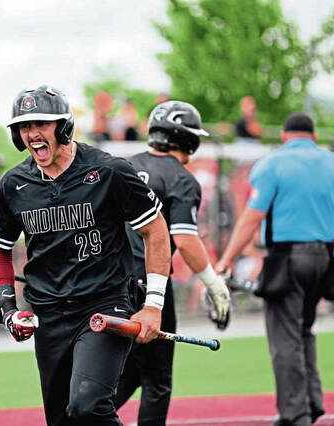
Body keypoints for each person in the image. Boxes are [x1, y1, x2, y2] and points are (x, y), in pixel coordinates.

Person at [0, 85, 171, 425]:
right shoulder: (14, 185)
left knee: (87, 405)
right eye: (25, 126)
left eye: (42, 124)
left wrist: (153, 306)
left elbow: (155, 230)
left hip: (104, 306)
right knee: (63, 421)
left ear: (64, 126)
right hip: (49, 315)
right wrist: (9, 309)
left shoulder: (111, 171)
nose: (33, 134)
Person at [215, 112, 334, 426]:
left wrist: (227, 259)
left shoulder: (272, 163)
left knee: (285, 338)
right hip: (325, 257)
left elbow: (252, 217)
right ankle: (312, 403)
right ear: (313, 136)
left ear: (285, 136)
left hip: (288, 258)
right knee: (305, 331)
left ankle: (296, 413)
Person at [113, 100, 231, 425]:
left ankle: (79, 419)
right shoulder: (181, 179)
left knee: (129, 372)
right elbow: (185, 239)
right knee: (157, 381)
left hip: (110, 286)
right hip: (150, 288)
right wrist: (213, 283)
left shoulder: (121, 165)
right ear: (189, 138)